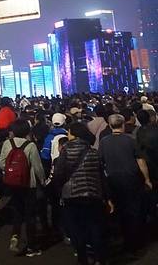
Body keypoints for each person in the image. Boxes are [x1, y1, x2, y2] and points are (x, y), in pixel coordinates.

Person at [53, 121, 111, 265]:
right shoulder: (93, 152)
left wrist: (59, 190)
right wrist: (107, 197)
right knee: (94, 227)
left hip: (71, 195)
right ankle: (99, 259)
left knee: (76, 229)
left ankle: (82, 259)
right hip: (93, 194)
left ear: (73, 134)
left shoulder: (66, 151)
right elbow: (101, 176)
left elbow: (59, 174)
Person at [99, 113, 152, 256]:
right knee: (134, 211)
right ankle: (135, 242)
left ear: (110, 125)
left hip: (113, 181)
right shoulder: (131, 140)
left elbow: (101, 162)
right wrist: (147, 179)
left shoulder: (104, 142)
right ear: (123, 125)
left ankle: (124, 240)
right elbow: (141, 161)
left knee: (120, 210)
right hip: (132, 179)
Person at [0, 118, 45, 257]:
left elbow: (2, 163)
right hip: (28, 184)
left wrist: (11, 171)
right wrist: (43, 181)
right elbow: (37, 167)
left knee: (17, 211)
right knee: (30, 215)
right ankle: (31, 246)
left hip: (13, 184)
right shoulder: (30, 146)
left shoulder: (7, 143)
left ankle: (15, 235)